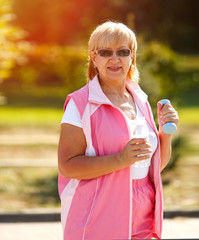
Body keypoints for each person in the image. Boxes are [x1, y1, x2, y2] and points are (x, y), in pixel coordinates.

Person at [58, 21, 179, 239]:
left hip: (143, 211)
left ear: (132, 56)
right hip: (97, 214)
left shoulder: (139, 99)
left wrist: (165, 134)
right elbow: (67, 166)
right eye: (105, 52)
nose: (115, 59)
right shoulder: (80, 104)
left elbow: (153, 167)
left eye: (122, 51)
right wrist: (120, 159)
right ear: (94, 58)